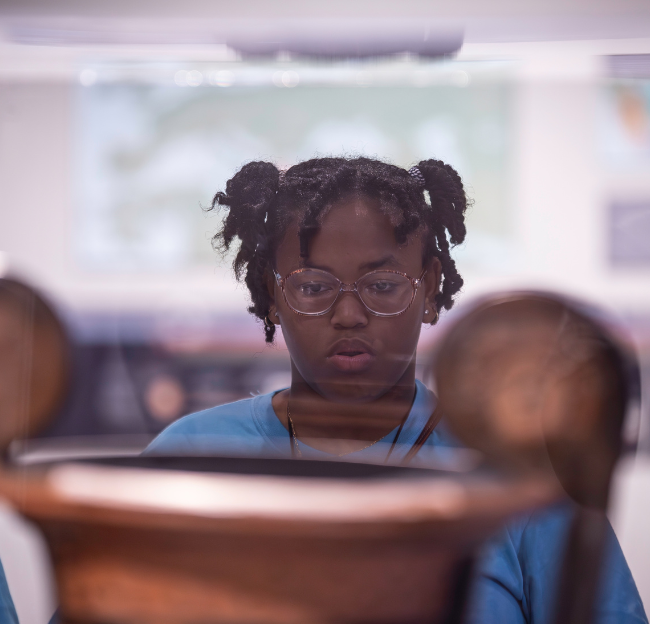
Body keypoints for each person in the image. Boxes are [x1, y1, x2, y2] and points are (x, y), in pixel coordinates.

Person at [146, 156, 647, 624]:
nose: (348, 315)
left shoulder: (523, 473)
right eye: (313, 286)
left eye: (383, 285)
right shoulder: (189, 455)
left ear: (429, 289)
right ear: (272, 295)